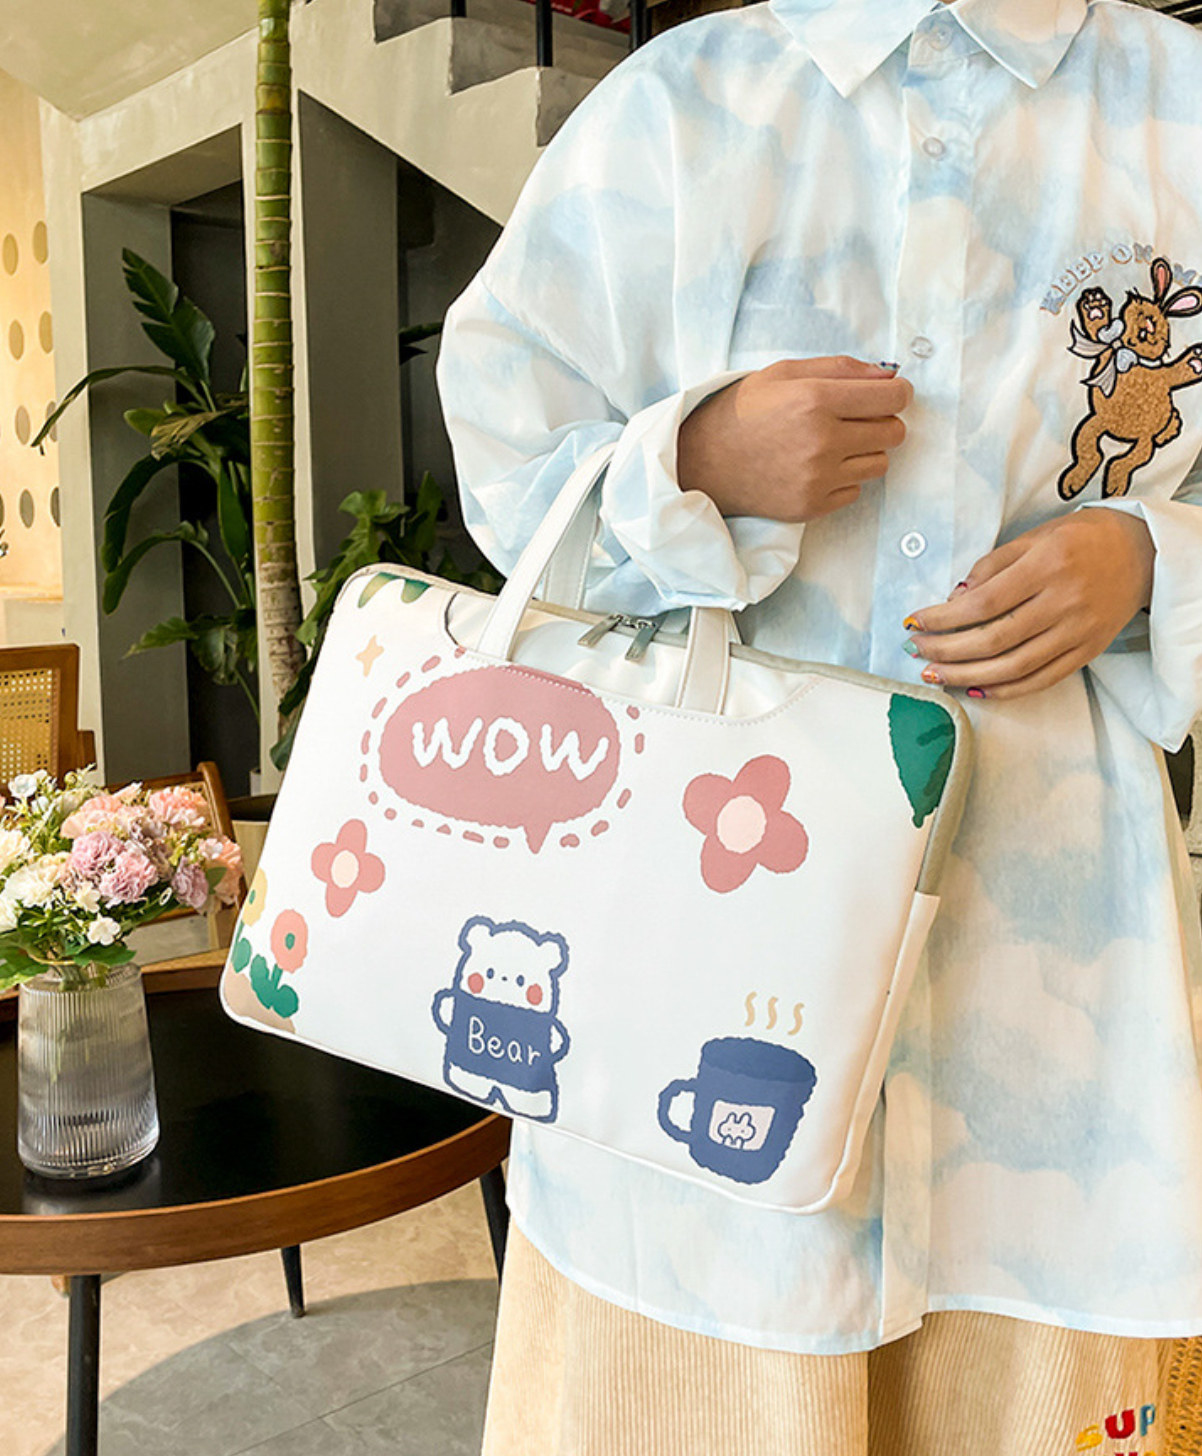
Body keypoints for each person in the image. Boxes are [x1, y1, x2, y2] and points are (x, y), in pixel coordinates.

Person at [435, 0, 1202, 1450]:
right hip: (691, 961)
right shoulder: (686, 102)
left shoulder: (1180, 107)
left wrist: (1154, 561)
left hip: (1045, 1021)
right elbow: (505, 448)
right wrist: (691, 459)